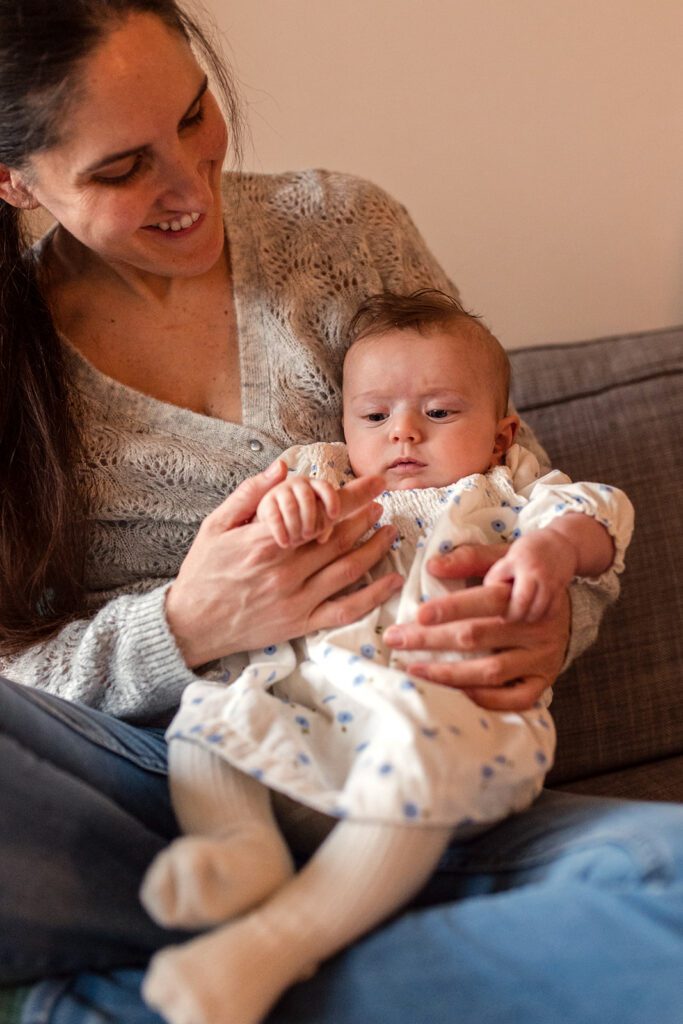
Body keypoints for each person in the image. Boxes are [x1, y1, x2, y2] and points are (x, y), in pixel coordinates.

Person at [0, 3, 681, 1024]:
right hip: (177, 782)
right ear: (13, 180)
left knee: (665, 885)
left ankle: (136, 995)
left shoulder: (344, 231)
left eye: (194, 116)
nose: (189, 183)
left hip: (420, 766)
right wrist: (183, 626)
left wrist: (535, 624)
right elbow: (19, 686)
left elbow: (513, 489)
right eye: (121, 168)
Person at [139, 289, 633, 1024]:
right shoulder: (324, 476)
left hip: (438, 706)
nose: (402, 433)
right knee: (210, 716)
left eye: (437, 413)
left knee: (420, 753)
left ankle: (278, 941)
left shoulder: (511, 490)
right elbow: (261, 522)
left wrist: (553, 551)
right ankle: (239, 845)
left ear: (501, 436)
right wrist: (285, 511)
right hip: (304, 699)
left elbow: (600, 514)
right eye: (374, 417)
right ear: (344, 426)